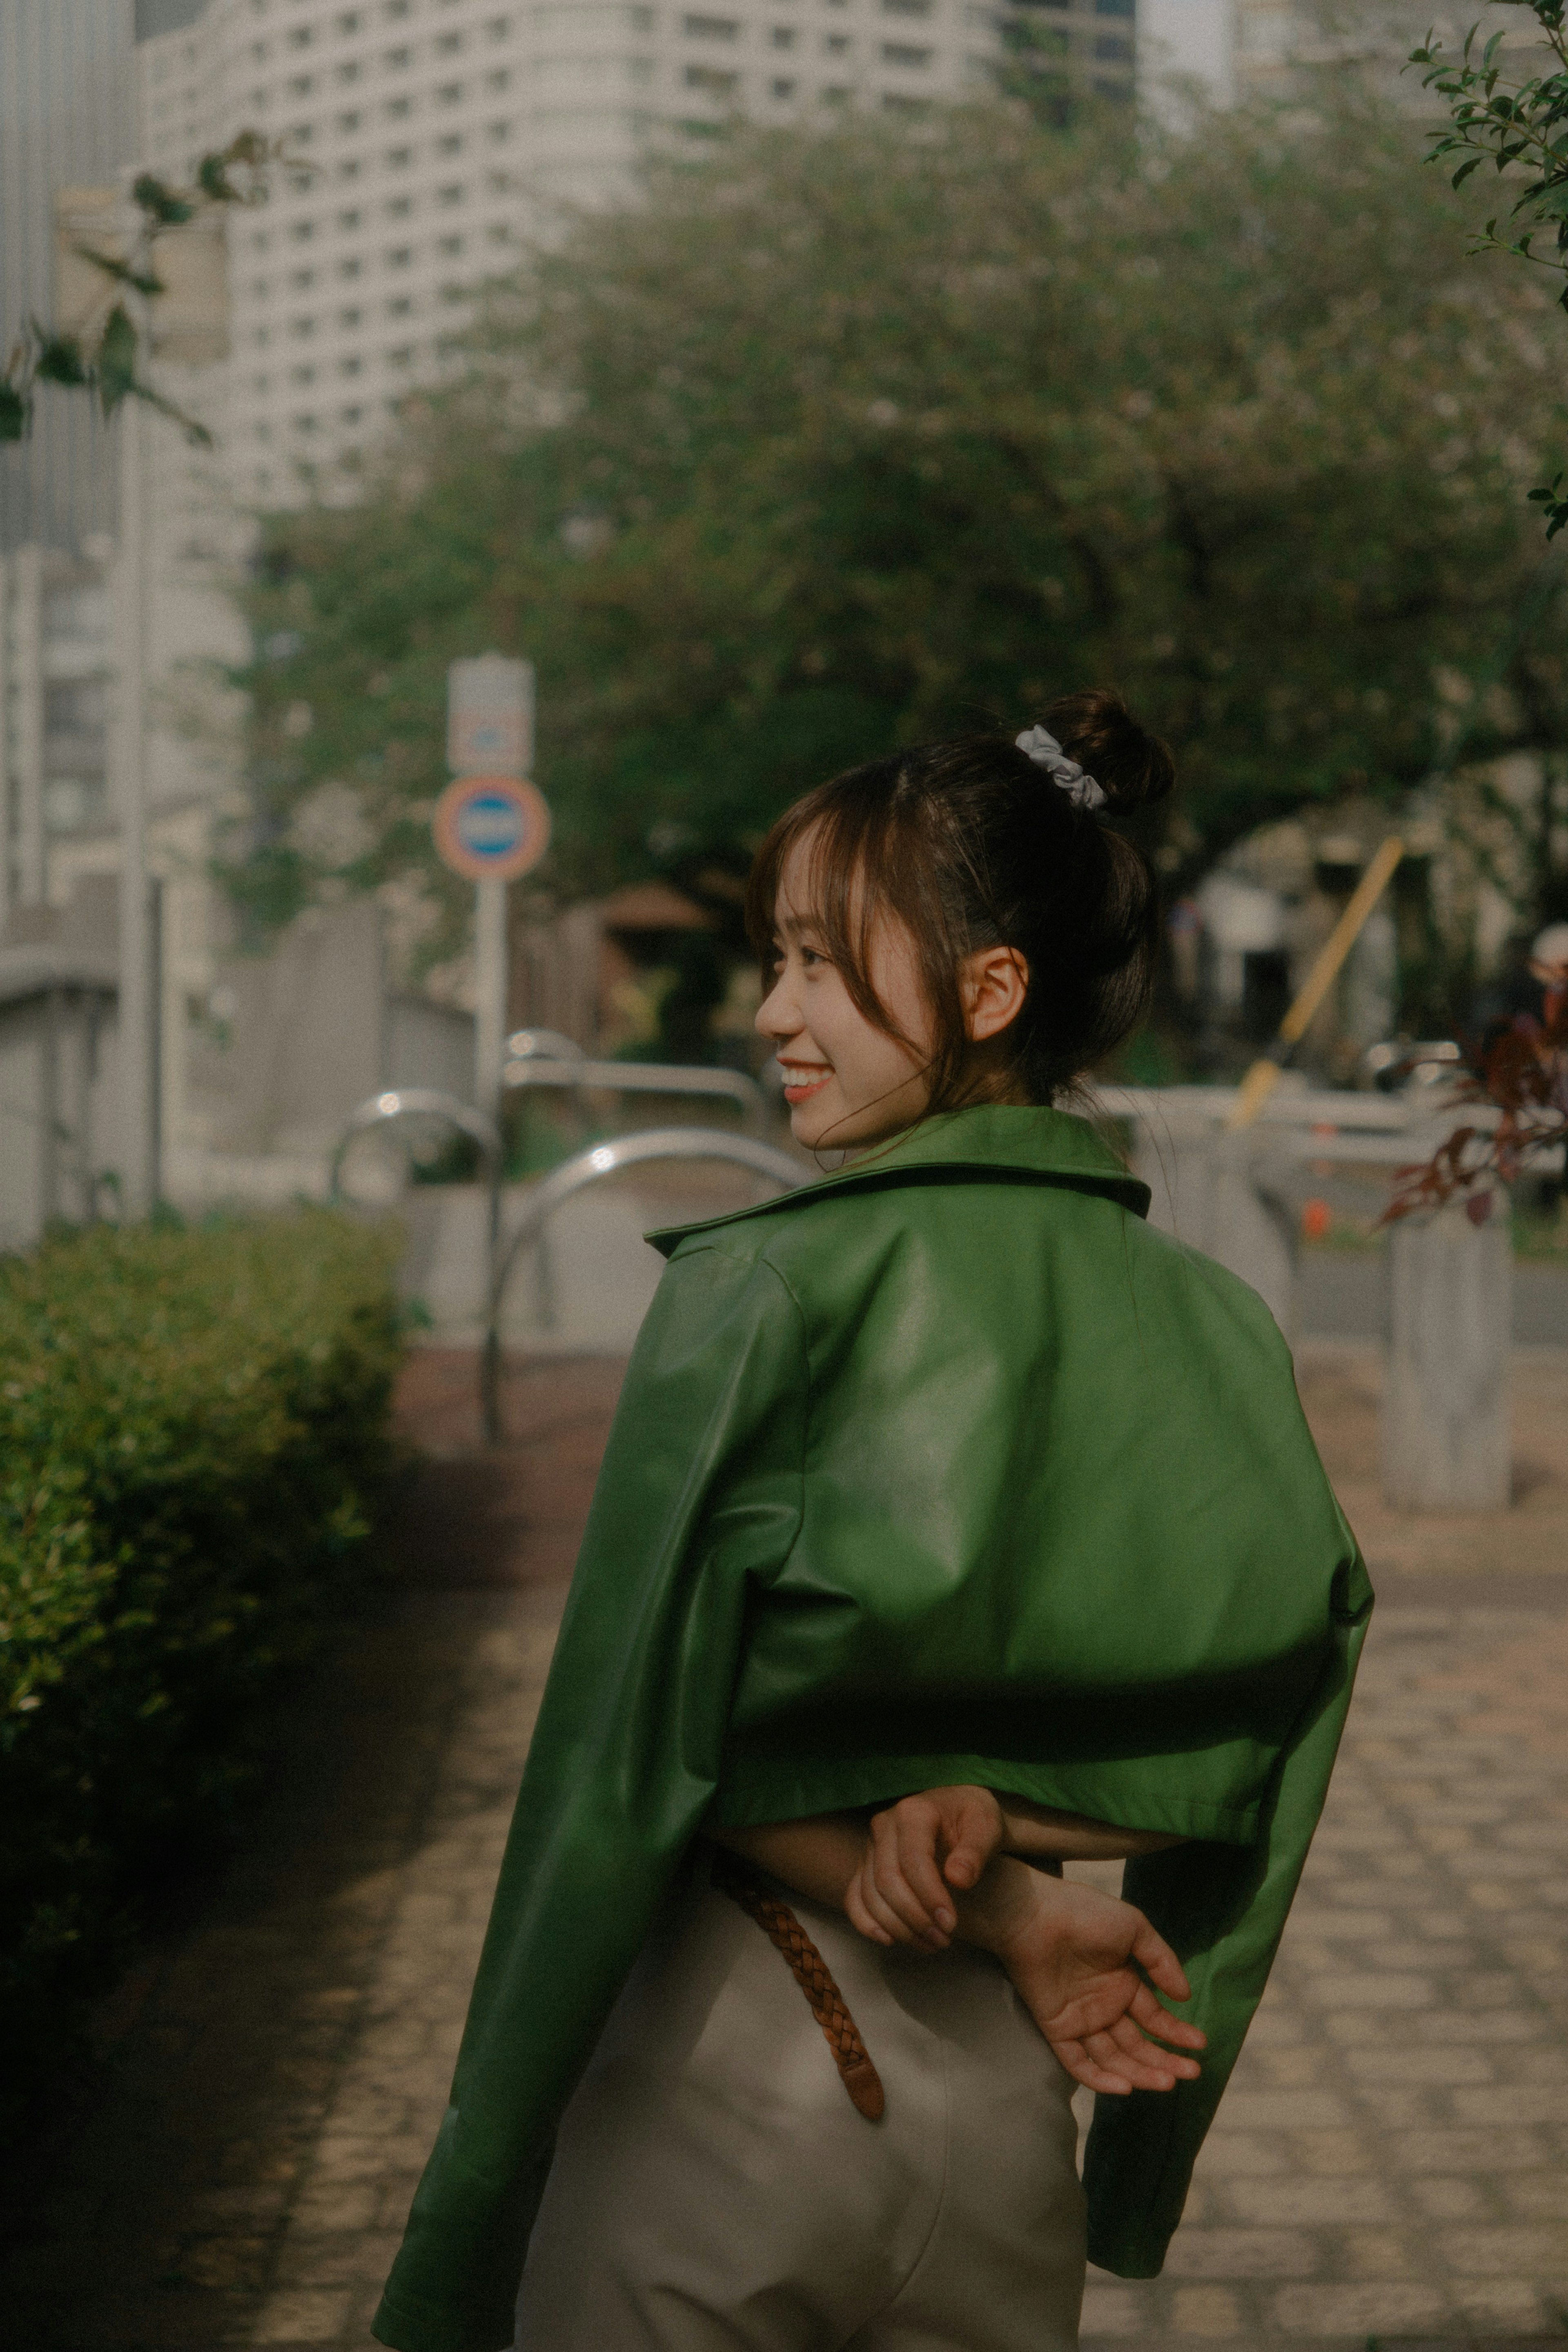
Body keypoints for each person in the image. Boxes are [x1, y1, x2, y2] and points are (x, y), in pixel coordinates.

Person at [373, 695, 1372, 2352]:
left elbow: (622, 1761)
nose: (776, 1013)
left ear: (991, 992)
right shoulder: (1220, 1327)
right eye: (776, 961)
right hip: (1006, 2130)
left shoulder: (758, 1291)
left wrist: (464, 2212)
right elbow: (1268, 1734)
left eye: (824, 966)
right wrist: (1030, 1900)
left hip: (723, 2084)